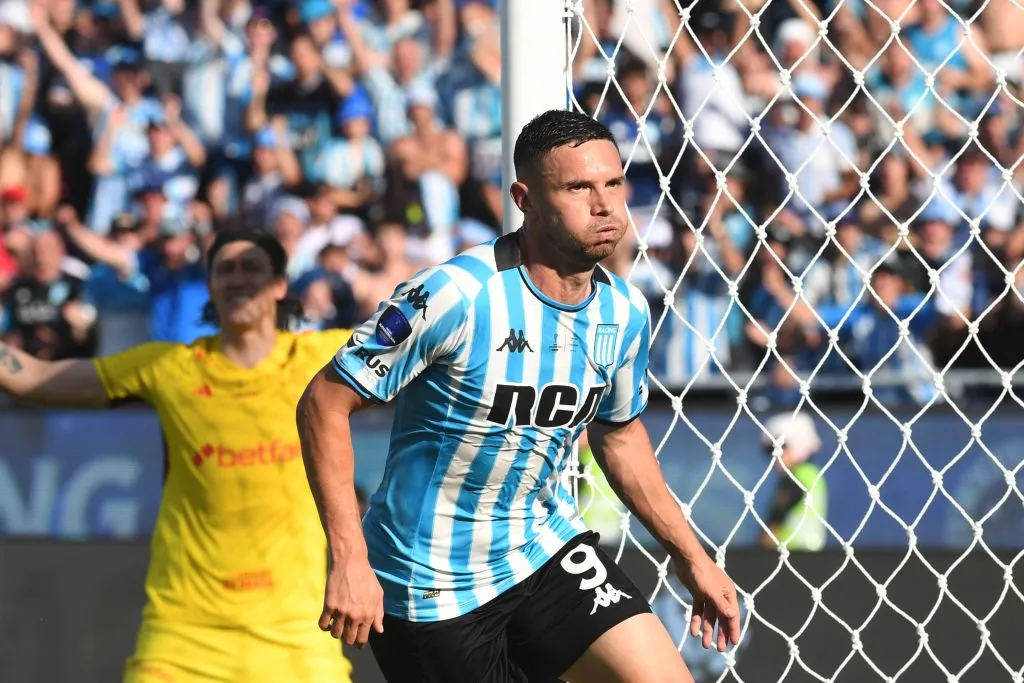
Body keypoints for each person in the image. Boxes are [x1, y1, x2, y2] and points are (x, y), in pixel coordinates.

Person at [297, 109, 741, 683]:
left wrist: (691, 558)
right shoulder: (455, 294)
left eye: (612, 183)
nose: (604, 205)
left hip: (542, 547)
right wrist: (349, 557)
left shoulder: (626, 311)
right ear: (525, 199)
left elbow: (621, 436)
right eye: (578, 187)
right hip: (429, 582)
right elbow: (322, 403)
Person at [0, 228, 354, 683]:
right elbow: (33, 378)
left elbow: (421, 343)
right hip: (183, 639)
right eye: (225, 269)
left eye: (252, 267)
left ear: (280, 285)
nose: (238, 278)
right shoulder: (169, 367)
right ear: (210, 285)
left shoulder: (326, 357)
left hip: (300, 641)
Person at [760, 411, 829, 552]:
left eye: (780, 447)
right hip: (811, 552)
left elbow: (778, 513)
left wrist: (763, 542)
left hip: (789, 553)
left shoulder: (796, 476)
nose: (775, 455)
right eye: (770, 450)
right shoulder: (813, 474)